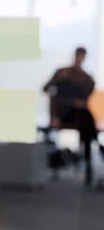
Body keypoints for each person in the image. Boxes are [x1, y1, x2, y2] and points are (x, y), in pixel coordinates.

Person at [43, 47, 100, 184]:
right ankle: (94, 148)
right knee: (88, 124)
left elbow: (85, 99)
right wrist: (54, 114)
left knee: (86, 120)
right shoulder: (62, 73)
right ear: (74, 56)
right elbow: (46, 89)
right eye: (78, 55)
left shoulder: (87, 78)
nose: (80, 59)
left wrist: (78, 102)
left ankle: (88, 160)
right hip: (63, 113)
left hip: (78, 116)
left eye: (82, 56)